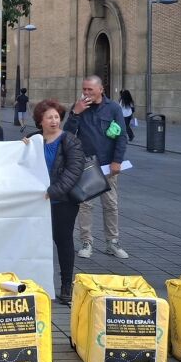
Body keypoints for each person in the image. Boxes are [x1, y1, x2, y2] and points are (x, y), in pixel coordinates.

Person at [26, 99, 85, 304]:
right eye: (49, 117)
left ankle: (67, 284)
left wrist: (54, 191)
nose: (54, 121)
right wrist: (21, 147)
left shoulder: (70, 140)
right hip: (37, 203)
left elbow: (74, 171)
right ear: (40, 121)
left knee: (63, 241)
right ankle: (34, 282)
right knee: (35, 242)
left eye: (57, 117)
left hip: (62, 202)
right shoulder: (33, 139)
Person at [65, 75, 130, 259]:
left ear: (101, 90)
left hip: (108, 166)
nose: (86, 93)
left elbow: (122, 136)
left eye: (90, 89)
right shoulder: (79, 107)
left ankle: (112, 242)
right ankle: (86, 242)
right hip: (86, 165)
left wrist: (117, 161)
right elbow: (68, 134)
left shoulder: (113, 108)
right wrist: (76, 113)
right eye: (84, 89)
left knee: (111, 204)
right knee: (85, 205)